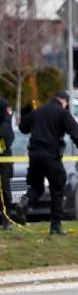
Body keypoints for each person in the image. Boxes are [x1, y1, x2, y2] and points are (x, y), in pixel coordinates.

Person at [18, 90, 78, 235]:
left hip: (35, 155)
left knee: (37, 187)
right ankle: (55, 227)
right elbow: (74, 130)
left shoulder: (38, 111)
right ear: (65, 101)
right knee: (58, 189)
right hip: (51, 156)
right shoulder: (62, 113)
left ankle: (24, 202)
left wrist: (25, 111)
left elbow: (23, 128)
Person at [0, 98, 13, 230]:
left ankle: (6, 220)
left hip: (3, 162)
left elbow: (7, 138)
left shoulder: (6, 125)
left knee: (4, 191)